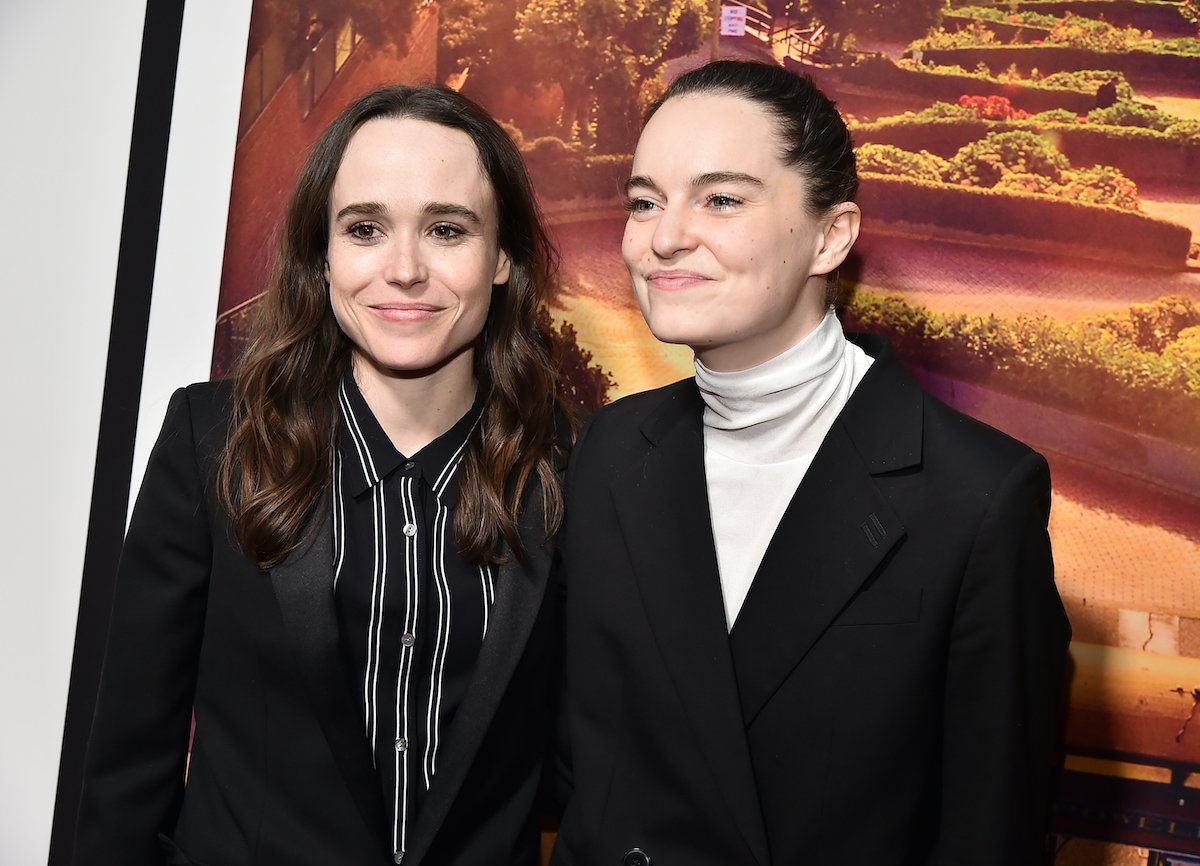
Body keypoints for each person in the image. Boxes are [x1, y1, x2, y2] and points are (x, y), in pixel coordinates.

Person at [552, 60, 1070, 865]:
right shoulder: (612, 450)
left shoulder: (975, 497)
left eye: (720, 199)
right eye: (645, 201)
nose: (663, 237)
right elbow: (587, 761)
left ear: (831, 235)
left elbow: (989, 835)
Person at [75, 84, 574, 866]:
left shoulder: (567, 473)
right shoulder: (212, 443)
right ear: (324, 253)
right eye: (365, 228)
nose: (403, 269)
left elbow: (583, 764)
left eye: (447, 229)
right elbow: (126, 764)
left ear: (503, 255)